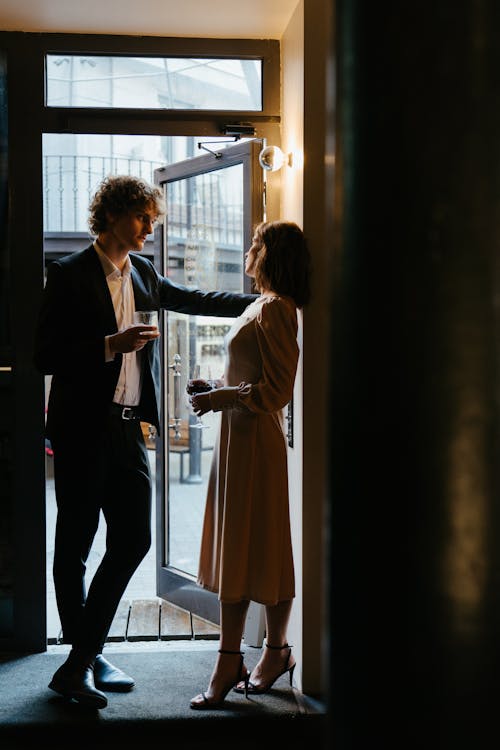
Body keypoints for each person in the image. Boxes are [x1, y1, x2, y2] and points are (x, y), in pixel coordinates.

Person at [33, 174, 256, 709]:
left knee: (134, 539)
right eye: (142, 217)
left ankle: (81, 657)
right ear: (111, 215)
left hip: (129, 429)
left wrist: (265, 297)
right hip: (83, 429)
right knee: (75, 548)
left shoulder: (146, 273)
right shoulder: (67, 275)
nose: (149, 227)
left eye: (152, 219)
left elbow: (198, 297)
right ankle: (84, 658)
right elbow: (45, 356)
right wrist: (112, 344)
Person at [187, 220, 311, 710]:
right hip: (238, 437)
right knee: (248, 546)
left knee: (252, 548)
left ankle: (230, 660)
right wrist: (213, 386)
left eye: (257, 243)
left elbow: (279, 389)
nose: (248, 249)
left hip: (255, 441)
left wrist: (222, 397)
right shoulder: (260, 304)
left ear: (272, 254)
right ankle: (276, 651)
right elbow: (249, 374)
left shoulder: (279, 309)